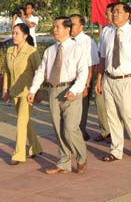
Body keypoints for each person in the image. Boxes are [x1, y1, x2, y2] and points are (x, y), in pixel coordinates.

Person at [27, 16, 88, 174]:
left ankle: (81, 157)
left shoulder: (78, 49)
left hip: (71, 90)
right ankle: (64, 162)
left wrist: (74, 90)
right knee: (58, 128)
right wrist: (33, 90)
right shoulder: (50, 50)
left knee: (70, 128)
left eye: (58, 27)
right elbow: (41, 71)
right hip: (53, 90)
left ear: (68, 29)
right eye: (53, 27)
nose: (54, 30)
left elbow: (83, 73)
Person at [95, 2, 131, 162]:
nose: (114, 15)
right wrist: (99, 79)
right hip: (109, 78)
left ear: (127, 15)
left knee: (128, 114)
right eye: (113, 12)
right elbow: (103, 58)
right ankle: (116, 149)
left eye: (118, 12)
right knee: (112, 116)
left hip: (129, 78)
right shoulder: (107, 32)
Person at [2, 23, 43, 165]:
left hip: (27, 92)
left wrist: (38, 91)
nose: (13, 36)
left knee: (20, 122)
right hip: (14, 91)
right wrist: (5, 89)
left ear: (25, 36)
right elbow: (6, 72)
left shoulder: (32, 51)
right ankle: (36, 147)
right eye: (13, 33)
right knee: (25, 121)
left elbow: (39, 72)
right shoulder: (9, 51)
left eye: (17, 33)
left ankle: (18, 154)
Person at [70, 14, 99, 141]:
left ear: (81, 26)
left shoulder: (88, 41)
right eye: (69, 24)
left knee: (82, 107)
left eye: (74, 24)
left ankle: (81, 131)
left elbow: (92, 64)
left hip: (82, 79)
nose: (71, 27)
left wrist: (87, 84)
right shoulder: (66, 40)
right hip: (68, 78)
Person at [94, 3, 114, 143]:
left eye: (107, 13)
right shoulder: (106, 31)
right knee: (100, 102)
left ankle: (116, 133)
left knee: (117, 107)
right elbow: (101, 54)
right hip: (105, 72)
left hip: (122, 75)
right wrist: (98, 76)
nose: (105, 16)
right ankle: (105, 131)